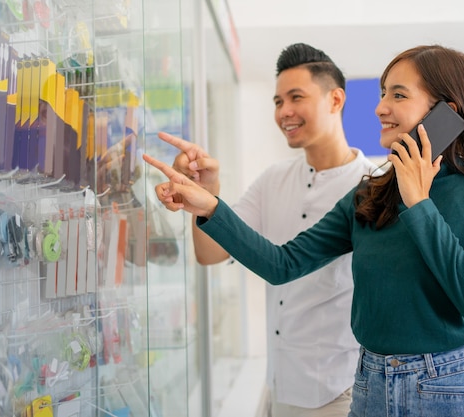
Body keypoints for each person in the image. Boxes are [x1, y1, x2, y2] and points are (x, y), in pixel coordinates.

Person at [143, 44, 464, 416]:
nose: (380, 107)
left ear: (446, 112)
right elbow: (283, 263)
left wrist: (419, 203)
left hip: (449, 385)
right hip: (371, 384)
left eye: (398, 94)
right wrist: (209, 205)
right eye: (381, 93)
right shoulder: (370, 193)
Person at [154, 43, 379, 417]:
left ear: (335, 99)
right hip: (279, 387)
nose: (284, 112)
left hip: (341, 392)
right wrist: (207, 192)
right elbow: (210, 253)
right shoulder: (274, 179)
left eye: (296, 97)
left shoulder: (374, 185)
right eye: (277, 101)